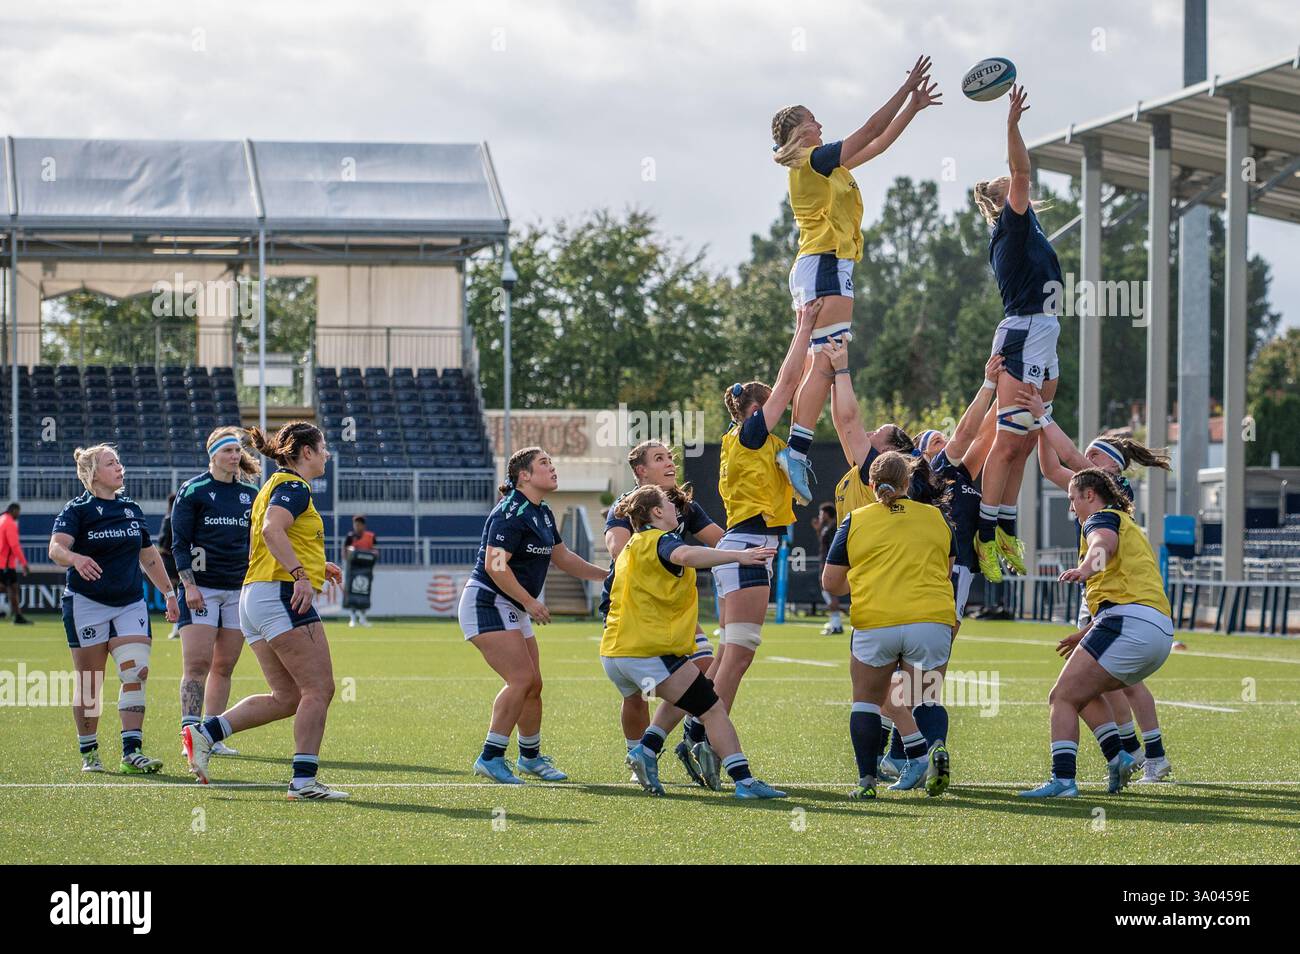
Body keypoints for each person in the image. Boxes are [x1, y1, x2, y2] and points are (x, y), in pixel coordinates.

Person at [770, 56, 941, 505]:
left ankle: (797, 449)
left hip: (821, 265)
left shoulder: (826, 167)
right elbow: (866, 130)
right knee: (827, 361)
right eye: (812, 120)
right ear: (798, 131)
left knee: (823, 365)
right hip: (824, 263)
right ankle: (797, 450)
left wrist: (913, 107)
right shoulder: (811, 160)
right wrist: (904, 88)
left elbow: (877, 145)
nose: (820, 124)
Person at [181, 422, 348, 800]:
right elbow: (274, 531)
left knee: (287, 696)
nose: (327, 455)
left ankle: (205, 732)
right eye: (322, 448)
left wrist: (318, 567)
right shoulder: (293, 487)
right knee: (319, 688)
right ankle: (303, 781)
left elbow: (276, 537)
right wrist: (302, 575)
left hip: (253, 597)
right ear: (305, 452)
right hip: (279, 595)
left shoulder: (272, 487)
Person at [697, 300, 817, 789]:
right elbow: (789, 384)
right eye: (770, 407)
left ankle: (681, 734)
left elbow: (798, 387)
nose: (780, 412)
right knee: (740, 654)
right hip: (749, 546)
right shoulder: (749, 434)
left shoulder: (751, 440)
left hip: (745, 546)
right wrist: (804, 328)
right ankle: (703, 735)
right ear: (754, 409)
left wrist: (821, 362)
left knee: (731, 656)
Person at [1029, 391, 1176, 784]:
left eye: (1094, 456)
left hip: (1120, 605)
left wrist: (1043, 415)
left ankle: (1139, 755)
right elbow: (1049, 467)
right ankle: (1124, 755)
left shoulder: (1107, 493)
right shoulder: (1093, 493)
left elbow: (1100, 546)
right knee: (1090, 686)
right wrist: (1039, 426)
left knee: (1095, 689)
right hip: (1121, 607)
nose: (1084, 460)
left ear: (1110, 466)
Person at [604, 485, 786, 799]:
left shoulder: (632, 545)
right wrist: (738, 555)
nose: (677, 509)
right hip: (647, 652)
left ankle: (646, 749)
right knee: (713, 709)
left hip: (615, 653)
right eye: (668, 504)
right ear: (657, 512)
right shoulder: (663, 540)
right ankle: (744, 782)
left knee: (688, 691)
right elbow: (686, 554)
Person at [458, 446, 609, 785]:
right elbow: (494, 566)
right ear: (523, 475)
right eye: (544, 464)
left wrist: (607, 575)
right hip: (488, 602)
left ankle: (529, 758)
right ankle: (491, 756)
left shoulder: (540, 513)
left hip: (509, 604)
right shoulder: (510, 512)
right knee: (521, 680)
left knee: (534, 684)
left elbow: (565, 558)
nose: (553, 468)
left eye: (552, 462)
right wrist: (529, 601)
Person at [821, 450, 956, 801]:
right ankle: (930, 749)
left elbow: (831, 583)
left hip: (876, 619)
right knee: (925, 696)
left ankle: (867, 783)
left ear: (869, 483)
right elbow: (945, 569)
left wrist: (869, 577)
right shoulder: (936, 517)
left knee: (866, 701)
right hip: (930, 617)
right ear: (909, 482)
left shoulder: (856, 519)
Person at [970, 84, 1062, 584]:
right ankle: (986, 537)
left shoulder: (1029, 230)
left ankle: (1004, 528)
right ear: (1002, 199)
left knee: (1026, 443)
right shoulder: (1013, 220)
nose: (1017, 182)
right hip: (1024, 332)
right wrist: (1010, 125)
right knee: (1007, 443)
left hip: (1046, 334)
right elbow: (1022, 170)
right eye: (1008, 183)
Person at [49, 445, 179, 773]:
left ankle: (131, 752)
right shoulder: (77, 510)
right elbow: (56, 548)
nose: (120, 467)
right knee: (91, 681)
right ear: (93, 475)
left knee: (136, 672)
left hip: (129, 603)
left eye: (119, 462)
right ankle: (90, 753)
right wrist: (75, 558)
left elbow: (148, 556)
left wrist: (169, 592)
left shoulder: (131, 509)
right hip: (86, 603)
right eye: (111, 463)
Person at [602, 439, 723, 785]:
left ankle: (684, 736)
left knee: (701, 668)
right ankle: (637, 753)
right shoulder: (628, 506)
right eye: (659, 459)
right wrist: (662, 553)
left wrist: (748, 552)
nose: (670, 463)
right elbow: (617, 549)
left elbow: (720, 539)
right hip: (634, 610)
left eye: (670, 457)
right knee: (636, 693)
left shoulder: (683, 506)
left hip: (672, 610)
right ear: (641, 471)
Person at [171, 427, 261, 758]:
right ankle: (188, 732)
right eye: (228, 451)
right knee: (197, 664)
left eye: (238, 451)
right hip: (202, 590)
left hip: (237, 590)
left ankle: (212, 733)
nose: (235, 456)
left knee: (224, 665)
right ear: (213, 455)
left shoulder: (250, 494)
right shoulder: (193, 490)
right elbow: (178, 544)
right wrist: (189, 585)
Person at [343, 515, 378, 628]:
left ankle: (363, 618)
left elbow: (375, 551)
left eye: (359, 524)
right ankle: (352, 618)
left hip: (366, 570)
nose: (357, 526)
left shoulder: (371, 536)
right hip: (352, 569)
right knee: (351, 591)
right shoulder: (350, 536)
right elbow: (345, 551)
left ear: (363, 525)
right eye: (355, 524)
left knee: (364, 591)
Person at [0, 502, 31, 624]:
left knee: (11, 589)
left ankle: (18, 616)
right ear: (13, 510)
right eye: (18, 511)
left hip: (3, 562)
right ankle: (18, 616)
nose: (19, 514)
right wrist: (24, 563)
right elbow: (14, 545)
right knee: (13, 590)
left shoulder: (1, 519)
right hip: (6, 564)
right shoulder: (10, 523)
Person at [814, 503, 842, 635]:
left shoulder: (834, 527)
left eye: (821, 513)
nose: (819, 516)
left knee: (829, 591)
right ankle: (835, 622)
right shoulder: (827, 528)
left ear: (826, 514)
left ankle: (836, 624)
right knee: (827, 592)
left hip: (829, 564)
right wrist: (819, 530)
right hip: (825, 562)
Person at [158, 493, 181, 638]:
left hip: (170, 560)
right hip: (183, 559)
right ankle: (179, 626)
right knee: (180, 593)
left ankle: (177, 627)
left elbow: (162, 542)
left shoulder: (168, 519)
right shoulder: (181, 517)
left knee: (173, 594)